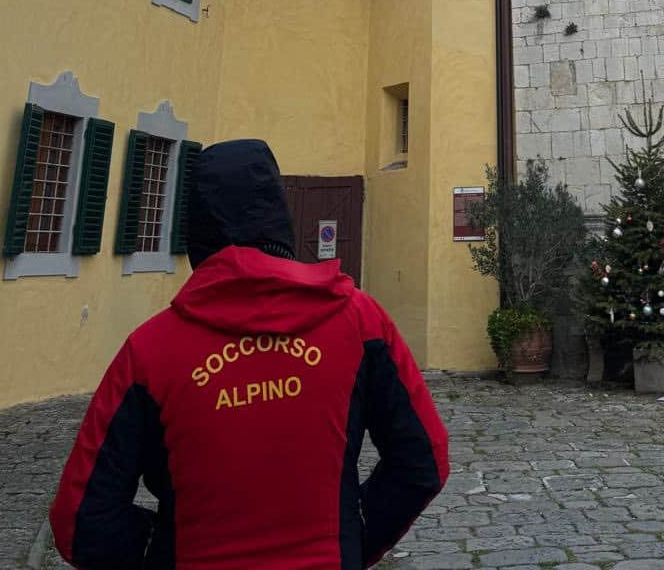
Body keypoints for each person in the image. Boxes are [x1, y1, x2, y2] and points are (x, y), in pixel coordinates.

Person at [49, 140, 449, 569]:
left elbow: (80, 521)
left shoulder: (150, 351)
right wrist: (352, 540)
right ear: (279, 216)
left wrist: (162, 549)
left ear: (195, 227)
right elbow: (423, 460)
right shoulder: (360, 323)